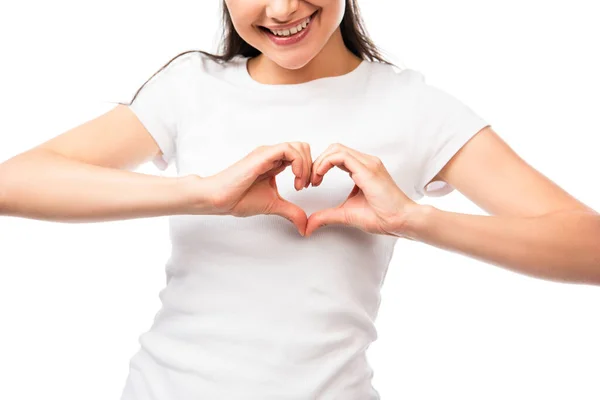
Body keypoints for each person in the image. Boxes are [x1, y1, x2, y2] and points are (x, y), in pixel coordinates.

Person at [0, 0, 598, 399]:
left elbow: (589, 248)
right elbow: (14, 183)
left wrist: (414, 219)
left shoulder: (415, 107)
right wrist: (202, 193)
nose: (283, 8)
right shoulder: (191, 86)